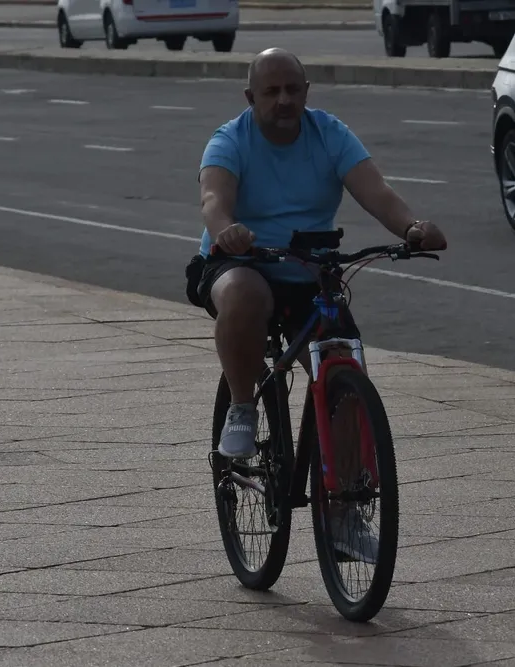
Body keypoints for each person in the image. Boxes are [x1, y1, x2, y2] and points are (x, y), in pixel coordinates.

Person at [192, 48, 447, 562]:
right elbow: (214, 201)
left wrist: (412, 229)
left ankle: (346, 513)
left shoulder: (329, 133)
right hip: (241, 261)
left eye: (293, 89)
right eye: (272, 91)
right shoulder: (231, 139)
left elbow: (377, 192)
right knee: (245, 294)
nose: (284, 100)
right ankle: (243, 406)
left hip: (310, 271)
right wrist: (228, 231)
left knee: (344, 367)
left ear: (306, 92)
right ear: (251, 98)